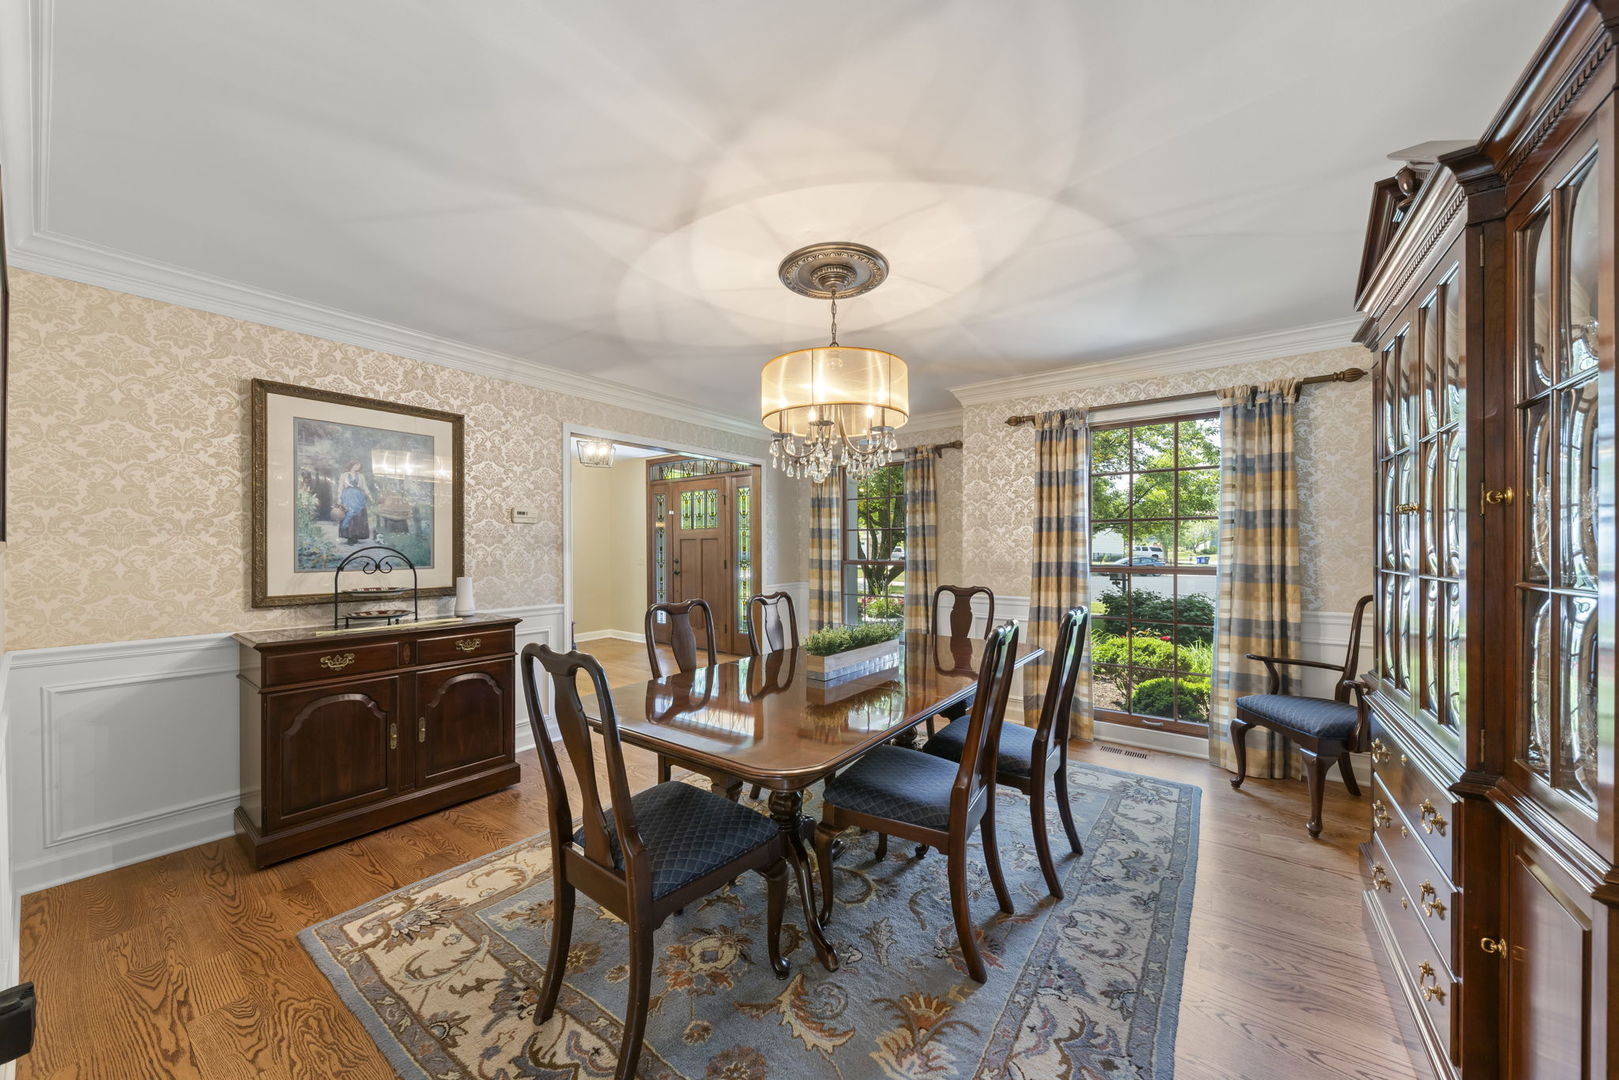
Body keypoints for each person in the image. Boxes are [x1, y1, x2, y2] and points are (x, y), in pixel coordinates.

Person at [337, 460, 374, 544]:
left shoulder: (361, 476)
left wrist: (370, 497)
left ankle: (356, 535)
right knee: (348, 514)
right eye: (357, 465)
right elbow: (340, 487)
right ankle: (349, 536)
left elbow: (364, 487)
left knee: (358, 516)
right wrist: (339, 499)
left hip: (358, 497)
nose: (358, 467)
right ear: (352, 465)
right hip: (347, 497)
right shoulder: (344, 475)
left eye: (359, 466)